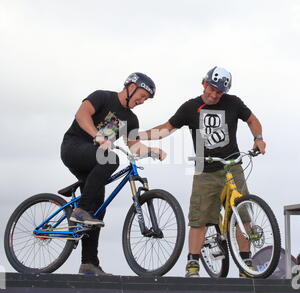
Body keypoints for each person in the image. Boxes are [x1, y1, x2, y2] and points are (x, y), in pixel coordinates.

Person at [139, 66, 266, 278]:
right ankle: (193, 264)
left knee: (242, 213)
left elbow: (252, 120)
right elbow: (166, 128)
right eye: (212, 89)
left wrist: (258, 138)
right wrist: (136, 135)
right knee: (199, 219)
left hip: (232, 165)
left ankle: (246, 262)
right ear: (204, 84)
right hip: (205, 169)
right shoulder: (190, 107)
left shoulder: (234, 103)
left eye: (219, 92)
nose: (214, 95)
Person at [60, 72, 165, 276]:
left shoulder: (131, 120)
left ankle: (89, 264)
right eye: (141, 95)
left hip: (94, 161)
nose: (142, 101)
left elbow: (134, 146)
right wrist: (98, 136)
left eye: (146, 99)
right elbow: (81, 115)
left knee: (98, 206)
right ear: (130, 86)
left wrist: (152, 151)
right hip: (73, 147)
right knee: (111, 159)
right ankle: (80, 210)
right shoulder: (103, 97)